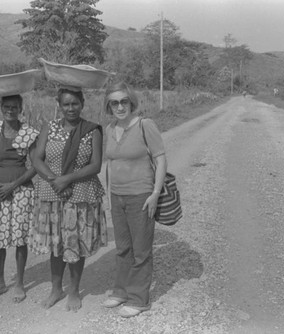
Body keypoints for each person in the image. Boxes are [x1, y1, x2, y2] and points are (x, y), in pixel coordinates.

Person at [29, 87, 107, 312]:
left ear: (82, 103)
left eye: (75, 103)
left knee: (76, 244)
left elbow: (95, 165)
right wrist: (56, 180)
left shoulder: (92, 131)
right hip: (51, 193)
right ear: (59, 105)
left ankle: (73, 290)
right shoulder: (49, 127)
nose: (71, 108)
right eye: (66, 104)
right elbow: (37, 159)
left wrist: (68, 179)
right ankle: (56, 289)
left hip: (81, 193)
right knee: (57, 244)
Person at [102, 82, 167, 318]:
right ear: (109, 106)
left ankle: (139, 299)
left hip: (141, 195)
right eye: (114, 102)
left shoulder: (144, 125)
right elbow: (110, 164)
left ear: (131, 102)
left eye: (124, 101)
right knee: (123, 249)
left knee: (141, 250)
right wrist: (110, 196)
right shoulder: (109, 129)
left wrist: (155, 193)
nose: (120, 106)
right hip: (117, 196)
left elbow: (160, 160)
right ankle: (121, 291)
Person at [0, 94, 39, 303]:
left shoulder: (29, 133)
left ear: (21, 108)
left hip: (21, 192)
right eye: (6, 106)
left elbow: (35, 165)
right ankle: (0, 282)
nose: (10, 110)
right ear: (1, 107)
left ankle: (20, 283)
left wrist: (13, 185)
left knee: (20, 238)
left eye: (14, 107)